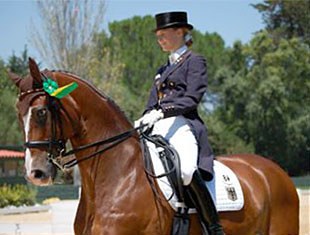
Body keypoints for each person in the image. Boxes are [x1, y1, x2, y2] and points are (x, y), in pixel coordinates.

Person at [135, 11, 224, 235]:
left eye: (163, 34)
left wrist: (163, 111)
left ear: (180, 32)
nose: (159, 39)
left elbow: (192, 98)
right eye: (158, 35)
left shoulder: (195, 61)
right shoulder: (162, 70)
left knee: (185, 170)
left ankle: (213, 227)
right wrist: (146, 116)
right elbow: (152, 101)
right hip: (158, 125)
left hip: (183, 123)